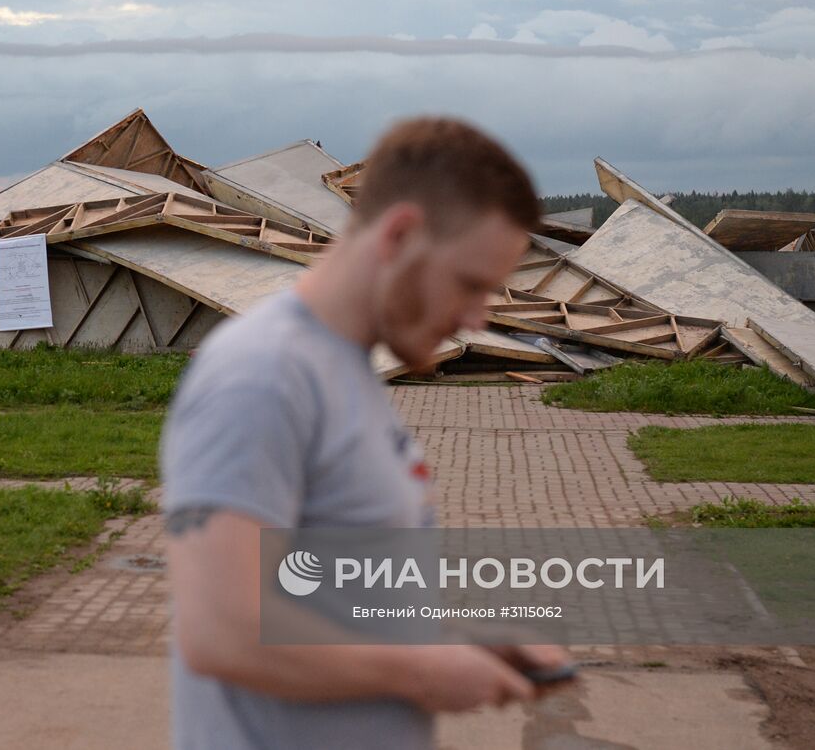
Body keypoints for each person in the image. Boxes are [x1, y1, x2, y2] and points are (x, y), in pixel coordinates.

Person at [162, 116, 570, 749]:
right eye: (469, 284)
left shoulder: (345, 368)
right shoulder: (263, 376)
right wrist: (421, 671)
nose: (474, 318)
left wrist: (453, 633)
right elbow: (222, 632)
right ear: (401, 234)